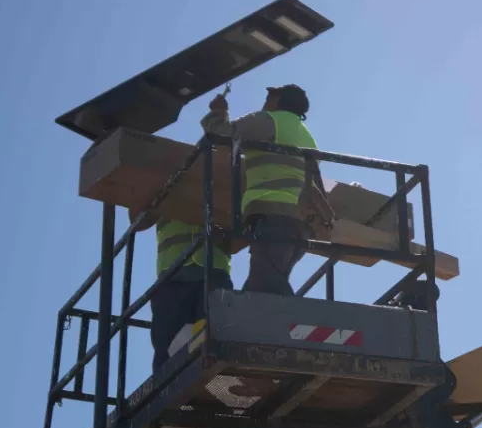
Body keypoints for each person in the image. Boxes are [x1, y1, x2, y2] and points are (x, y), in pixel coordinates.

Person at [202, 84, 334, 295]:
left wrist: (218, 112)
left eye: (270, 95)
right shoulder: (307, 136)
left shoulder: (269, 120)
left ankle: (289, 324)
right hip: (302, 222)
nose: (265, 100)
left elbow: (221, 134)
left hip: (276, 214)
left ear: (278, 100)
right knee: (263, 284)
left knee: (266, 285)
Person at [129, 212, 234, 371]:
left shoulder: (223, 188)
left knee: (213, 345)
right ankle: (166, 390)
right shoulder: (160, 186)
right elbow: (137, 220)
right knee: (169, 355)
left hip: (212, 274)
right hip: (174, 278)